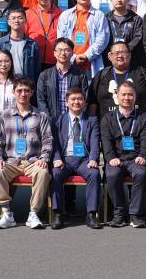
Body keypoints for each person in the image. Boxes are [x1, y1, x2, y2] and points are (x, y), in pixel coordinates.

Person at [0, 83, 53, 230]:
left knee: (43, 172)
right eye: (19, 90)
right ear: (14, 92)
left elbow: (48, 140)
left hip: (33, 161)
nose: (23, 94)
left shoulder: (41, 115)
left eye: (26, 90)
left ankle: (34, 213)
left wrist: (44, 158)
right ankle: (6, 213)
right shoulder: (4, 115)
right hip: (11, 161)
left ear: (32, 92)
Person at [99, 82, 146, 228]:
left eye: (130, 94)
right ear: (117, 97)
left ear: (135, 97)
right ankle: (120, 213)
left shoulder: (143, 117)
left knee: (141, 173)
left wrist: (143, 155)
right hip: (116, 159)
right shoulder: (108, 118)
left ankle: (135, 214)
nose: (127, 98)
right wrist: (111, 158)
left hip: (136, 159)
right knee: (112, 174)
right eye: (123, 94)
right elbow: (106, 142)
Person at [49, 88, 103, 229]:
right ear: (66, 102)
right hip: (65, 159)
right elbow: (54, 143)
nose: (76, 102)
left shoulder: (92, 120)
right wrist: (56, 158)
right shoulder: (58, 120)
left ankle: (91, 214)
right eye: (73, 99)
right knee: (55, 174)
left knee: (94, 174)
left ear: (84, 102)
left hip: (84, 160)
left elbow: (95, 142)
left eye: (79, 99)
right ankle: (58, 214)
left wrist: (93, 159)